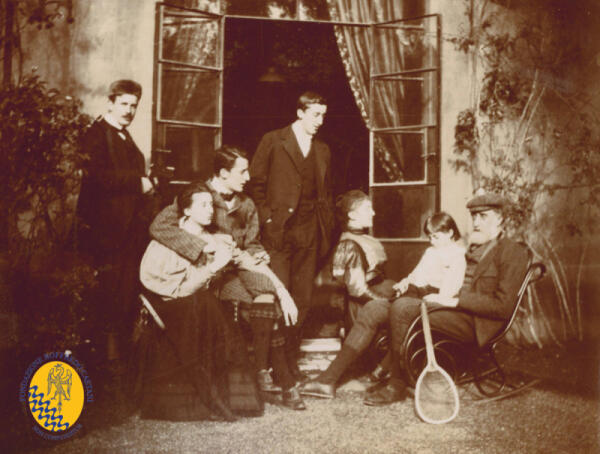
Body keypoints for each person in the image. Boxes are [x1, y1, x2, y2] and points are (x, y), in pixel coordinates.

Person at [149, 146, 305, 410]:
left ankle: (262, 371)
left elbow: (251, 244)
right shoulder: (198, 195)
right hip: (211, 273)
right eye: (242, 172)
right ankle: (284, 381)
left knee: (269, 293)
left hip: (240, 263)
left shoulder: (246, 204)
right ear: (223, 173)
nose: (248, 177)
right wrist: (204, 247)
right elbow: (159, 227)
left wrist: (259, 256)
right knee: (267, 303)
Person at [364, 191, 530, 406]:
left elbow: (503, 307)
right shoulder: (475, 248)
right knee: (388, 304)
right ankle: (393, 368)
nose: (476, 222)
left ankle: (396, 383)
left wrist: (454, 301)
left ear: (500, 219)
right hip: (457, 311)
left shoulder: (512, 252)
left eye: (483, 216)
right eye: (474, 216)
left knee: (403, 308)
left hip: (478, 323)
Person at [301, 193, 466, 399]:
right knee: (372, 310)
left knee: (396, 308)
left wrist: (415, 295)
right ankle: (328, 379)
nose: (432, 241)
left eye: (436, 237)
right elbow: (416, 274)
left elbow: (448, 293)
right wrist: (406, 281)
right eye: (430, 237)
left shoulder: (456, 256)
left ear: (450, 233)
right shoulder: (432, 251)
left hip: (431, 302)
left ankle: (384, 371)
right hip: (408, 296)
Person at [248, 91, 335, 381]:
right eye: (315, 114)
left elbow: (326, 192)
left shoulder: (322, 150)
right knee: (279, 294)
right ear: (300, 113)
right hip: (279, 233)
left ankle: (289, 360)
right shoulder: (273, 140)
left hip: (309, 233)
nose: (320, 121)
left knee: (303, 299)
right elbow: (256, 183)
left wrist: (325, 226)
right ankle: (273, 365)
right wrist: (267, 219)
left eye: (323, 115)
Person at [76, 79, 153, 360]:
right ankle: (106, 364)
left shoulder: (124, 136)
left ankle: (120, 361)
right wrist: (138, 183)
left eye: (134, 105)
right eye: (123, 104)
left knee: (126, 295)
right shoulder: (96, 134)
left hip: (129, 231)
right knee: (108, 297)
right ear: (110, 103)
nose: (129, 111)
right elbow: (96, 177)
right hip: (106, 233)